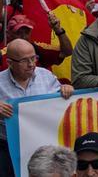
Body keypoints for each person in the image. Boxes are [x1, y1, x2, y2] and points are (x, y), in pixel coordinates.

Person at [0, 39, 74, 177]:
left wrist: (66, 89)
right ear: (10, 63)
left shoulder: (45, 76)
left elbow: (60, 100)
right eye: (24, 60)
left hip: (42, 146)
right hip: (7, 148)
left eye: (34, 58)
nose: (31, 64)